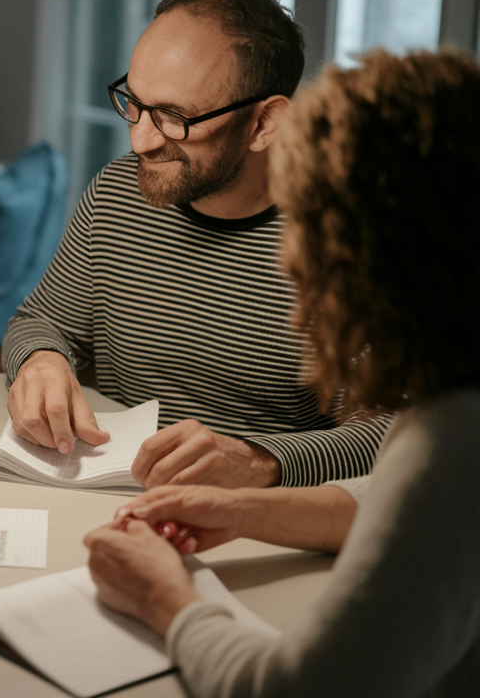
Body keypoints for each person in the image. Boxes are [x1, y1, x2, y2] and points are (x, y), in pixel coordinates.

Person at [84, 48, 480, 697]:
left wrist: (166, 598)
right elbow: (398, 506)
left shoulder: (459, 437)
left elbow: (298, 689)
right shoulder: (457, 396)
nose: (293, 273)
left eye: (311, 234)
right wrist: (242, 512)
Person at [3, 0, 392, 489]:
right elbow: (41, 321)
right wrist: (41, 358)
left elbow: (393, 428)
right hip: (113, 493)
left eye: (173, 117)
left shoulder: (350, 242)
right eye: (134, 103)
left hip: (260, 519)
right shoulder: (117, 193)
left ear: (264, 124)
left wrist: (258, 460)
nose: (140, 140)